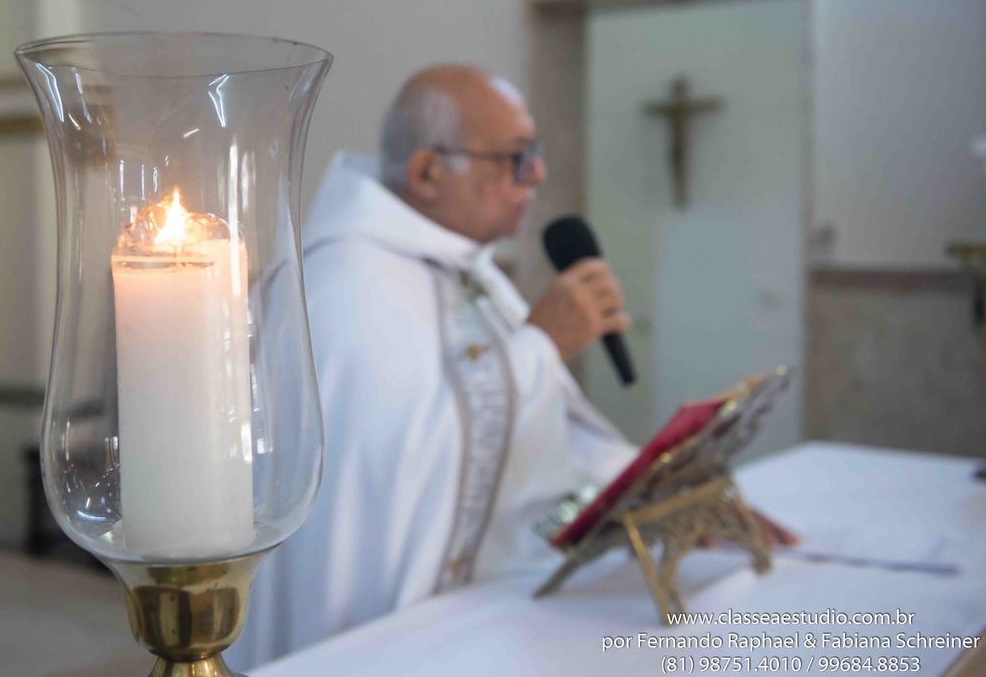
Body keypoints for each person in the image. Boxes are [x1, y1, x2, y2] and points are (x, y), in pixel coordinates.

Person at [233, 64, 787, 669]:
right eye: (517, 158)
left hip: (489, 606)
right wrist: (541, 343)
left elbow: (552, 434)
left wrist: (667, 496)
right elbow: (394, 477)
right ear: (427, 171)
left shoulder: (473, 271)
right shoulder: (346, 286)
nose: (539, 175)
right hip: (379, 634)